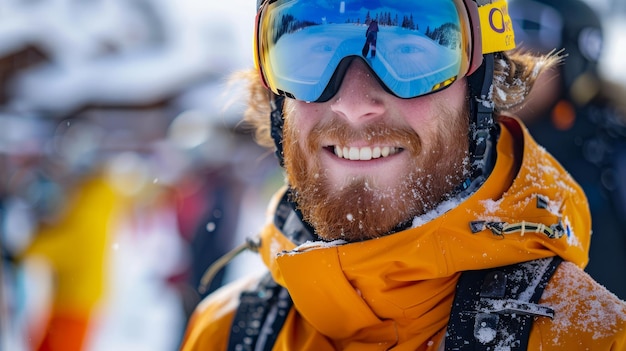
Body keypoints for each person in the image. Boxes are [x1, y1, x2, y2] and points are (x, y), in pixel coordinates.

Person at [180, 0, 626, 350]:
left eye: (412, 48)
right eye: (312, 48)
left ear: (481, 87)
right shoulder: (224, 333)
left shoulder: (592, 339)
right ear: (276, 96)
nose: (354, 103)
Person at [508, 0, 626, 300]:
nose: (508, 70)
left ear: (572, 62)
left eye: (527, 59)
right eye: (504, 56)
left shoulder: (612, 154)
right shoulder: (489, 147)